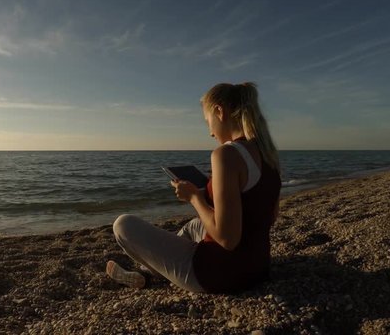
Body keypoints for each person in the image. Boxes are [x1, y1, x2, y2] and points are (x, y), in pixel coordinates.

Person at [106, 82, 281, 293]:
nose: (210, 133)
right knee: (193, 226)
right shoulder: (268, 155)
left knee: (123, 225)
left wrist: (194, 198)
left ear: (219, 112)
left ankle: (149, 272)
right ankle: (144, 272)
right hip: (258, 267)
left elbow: (228, 239)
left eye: (208, 122)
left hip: (218, 275)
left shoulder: (226, 154)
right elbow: (267, 216)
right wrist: (213, 191)